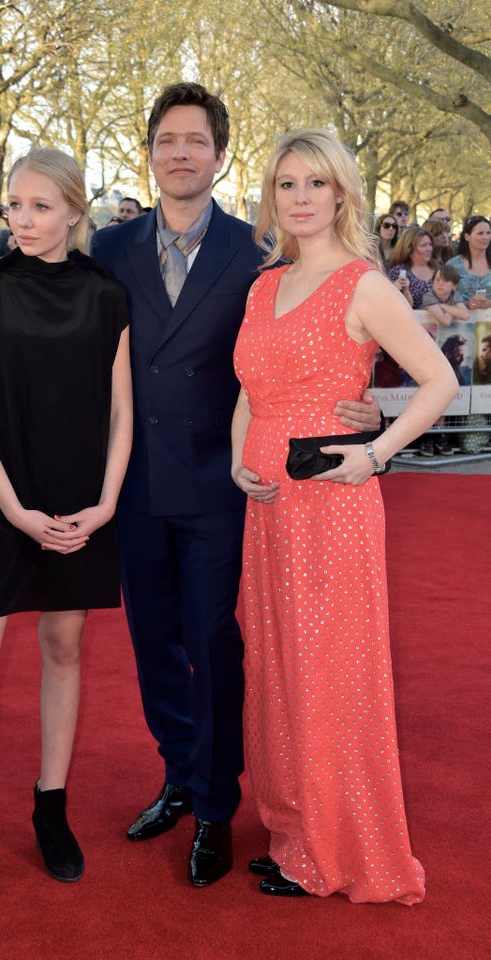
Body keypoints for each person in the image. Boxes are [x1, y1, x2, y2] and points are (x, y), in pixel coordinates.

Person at [91, 82, 381, 887]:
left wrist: (361, 410)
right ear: (149, 153)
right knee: (153, 644)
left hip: (228, 488)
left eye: (196, 142)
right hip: (138, 485)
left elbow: (326, 333)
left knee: (216, 646)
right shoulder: (109, 250)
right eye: (166, 141)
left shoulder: (259, 252)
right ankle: (180, 774)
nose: (180, 154)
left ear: (219, 156)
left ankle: (217, 806)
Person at [231, 128, 457, 903]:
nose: (299, 198)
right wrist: (238, 456)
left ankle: (338, 849)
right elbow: (249, 388)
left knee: (329, 669)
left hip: (331, 503)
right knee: (279, 665)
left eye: (314, 184)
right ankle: (296, 830)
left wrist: (378, 451)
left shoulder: (363, 284)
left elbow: (437, 382)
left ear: (341, 195)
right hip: (267, 506)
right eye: (286, 184)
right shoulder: (265, 285)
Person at [0, 146, 132, 903]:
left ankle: (52, 806)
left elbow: (121, 412)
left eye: (41, 206)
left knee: (64, 644)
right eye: (15, 205)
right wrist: (13, 511)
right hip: (4, 502)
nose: (25, 220)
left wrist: (105, 503)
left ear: (75, 211)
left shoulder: (107, 296)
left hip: (80, 503)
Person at [446, 215, 491, 309]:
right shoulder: (453, 265)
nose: (485, 237)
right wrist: (466, 304)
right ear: (467, 236)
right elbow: (442, 297)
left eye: (488, 233)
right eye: (480, 233)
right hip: (461, 321)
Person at [387, 226, 436, 308]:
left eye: (430, 244)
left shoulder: (438, 269)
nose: (429, 249)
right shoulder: (398, 272)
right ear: (409, 249)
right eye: (423, 245)